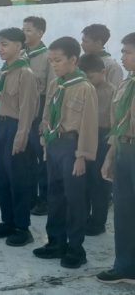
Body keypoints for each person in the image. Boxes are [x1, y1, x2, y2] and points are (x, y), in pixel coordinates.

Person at [33, 37, 98, 269]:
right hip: (54, 146)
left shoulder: (85, 88)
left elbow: (89, 126)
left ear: (73, 60)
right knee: (55, 196)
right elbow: (47, 115)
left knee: (74, 200)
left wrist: (82, 156)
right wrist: (45, 142)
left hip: (72, 147)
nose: (54, 65)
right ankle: (56, 242)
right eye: (51, 61)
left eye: (58, 60)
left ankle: (76, 249)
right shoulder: (55, 85)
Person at [0, 28, 39, 247]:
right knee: (2, 179)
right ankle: (8, 221)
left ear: (19, 46)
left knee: (19, 180)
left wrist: (21, 137)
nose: (0, 48)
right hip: (1, 129)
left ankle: (22, 228)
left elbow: (27, 110)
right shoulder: (1, 73)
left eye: (4, 44)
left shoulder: (25, 74)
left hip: (16, 129)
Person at [97, 32, 135, 284]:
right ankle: (125, 266)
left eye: (128, 52)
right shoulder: (126, 84)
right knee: (123, 212)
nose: (122, 57)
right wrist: (110, 156)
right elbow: (117, 125)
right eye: (122, 51)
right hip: (124, 150)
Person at [77, 53, 114, 237]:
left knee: (99, 183)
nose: (88, 81)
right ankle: (82, 218)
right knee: (82, 180)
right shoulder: (82, 89)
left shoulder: (112, 92)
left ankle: (98, 222)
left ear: (103, 72)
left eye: (91, 77)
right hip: (83, 136)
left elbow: (115, 122)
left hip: (103, 138)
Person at [22, 16, 54, 216]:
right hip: (21, 110)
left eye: (28, 30)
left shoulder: (48, 57)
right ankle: (29, 196)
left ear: (40, 33)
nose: (24, 33)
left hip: (39, 108)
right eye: (23, 29)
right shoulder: (20, 54)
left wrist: (46, 118)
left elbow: (51, 90)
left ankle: (45, 199)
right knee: (25, 157)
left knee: (42, 159)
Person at [81, 23, 124, 87]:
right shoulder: (80, 61)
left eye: (85, 41)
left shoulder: (112, 66)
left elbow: (115, 91)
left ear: (98, 43)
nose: (82, 44)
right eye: (82, 41)